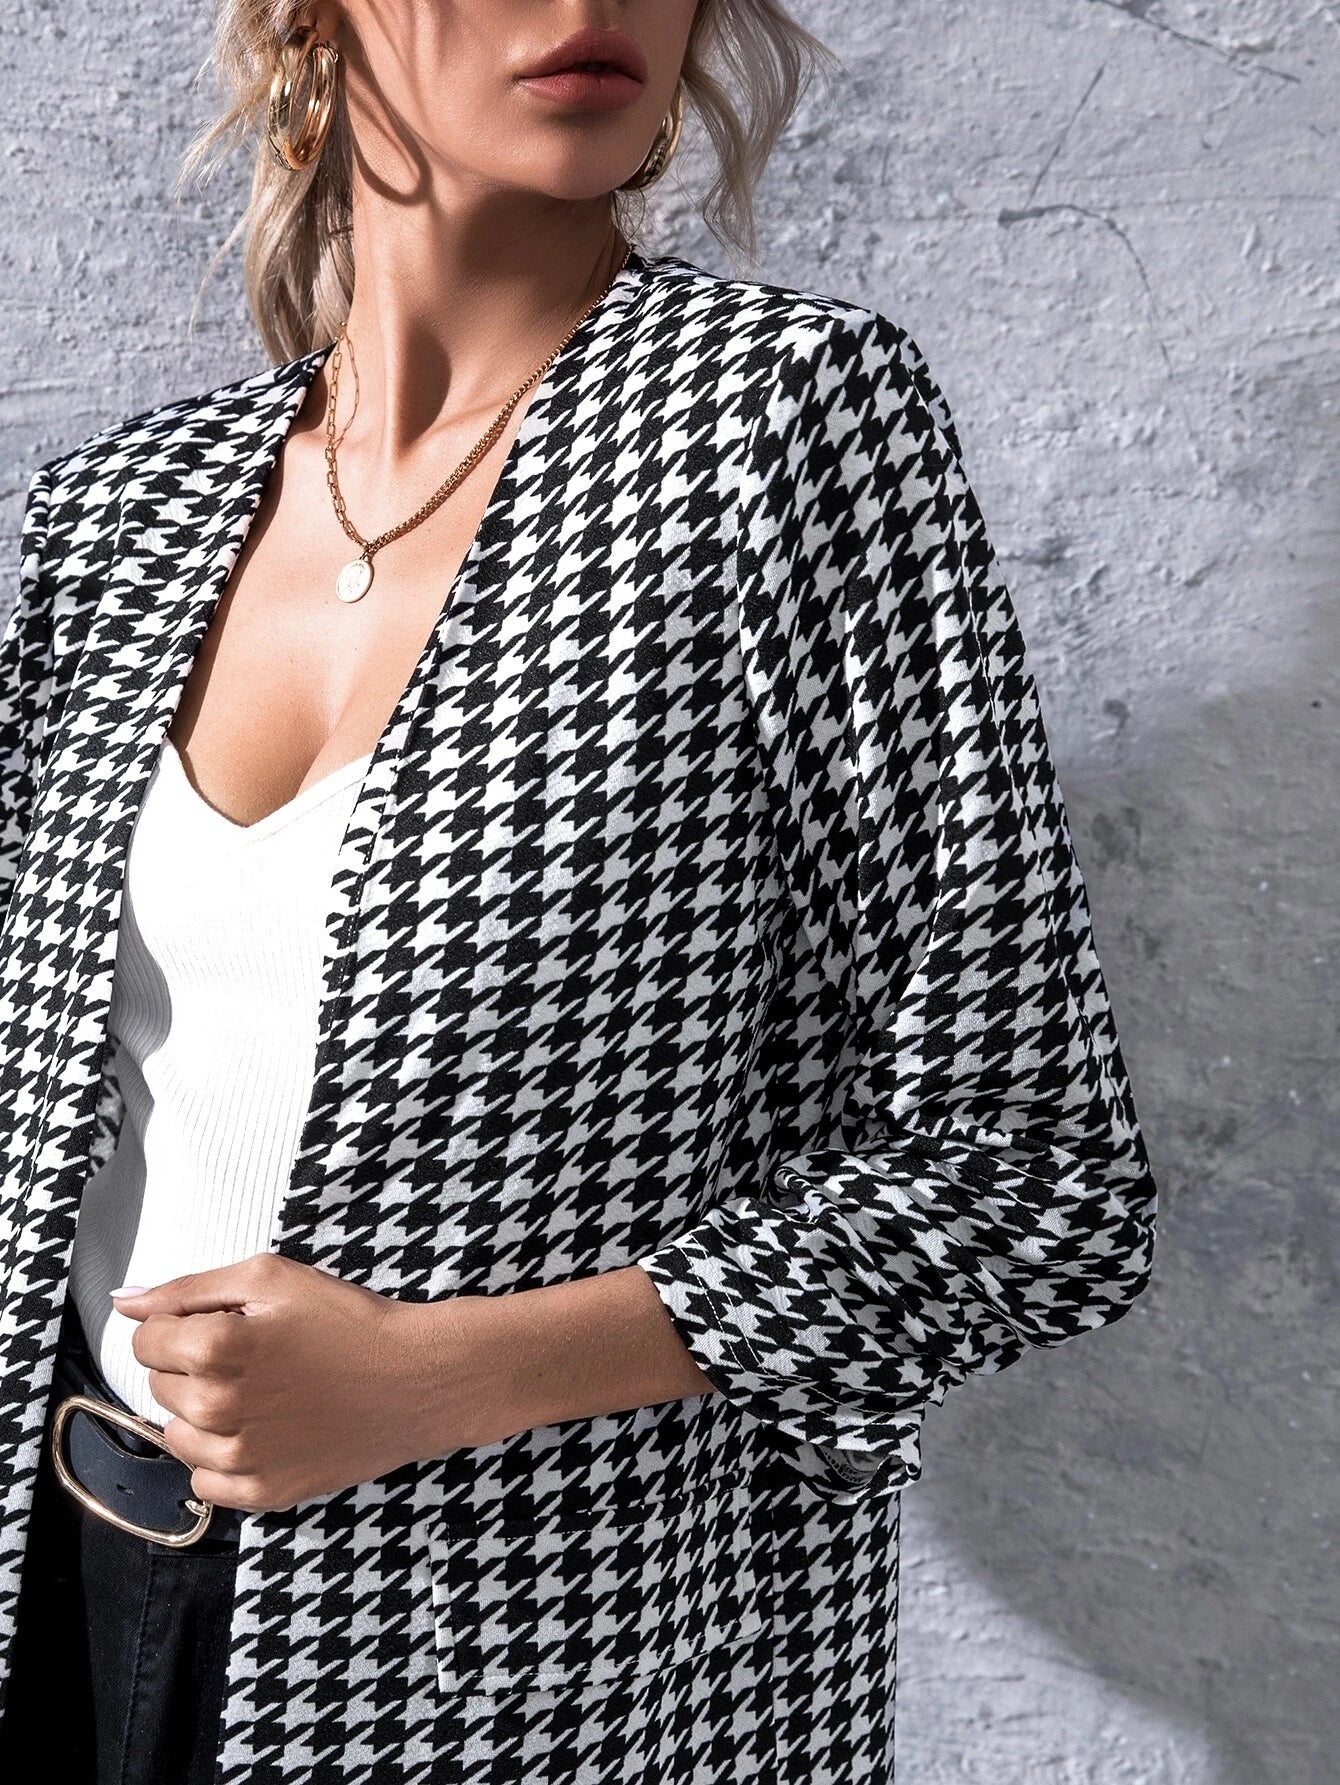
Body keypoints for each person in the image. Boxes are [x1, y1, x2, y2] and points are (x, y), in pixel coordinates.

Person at [0, 3, 1159, 1782]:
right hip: (66, 1591)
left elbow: (1036, 1179)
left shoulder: (781, 432)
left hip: (540, 1664)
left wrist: (435, 1374)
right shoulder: (120, 515)